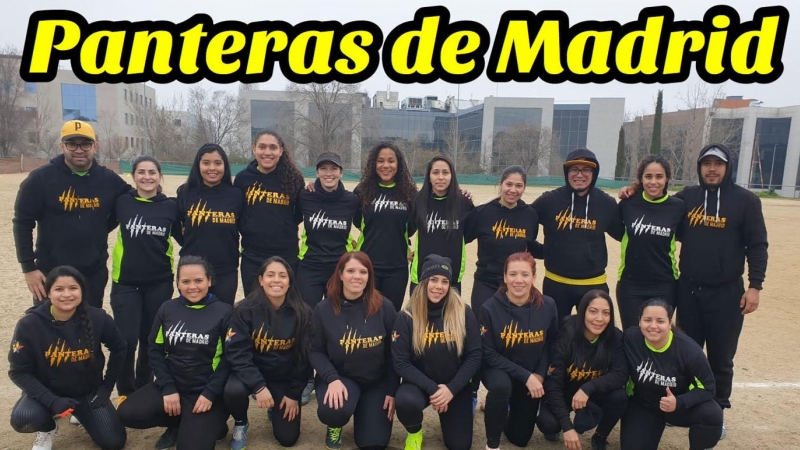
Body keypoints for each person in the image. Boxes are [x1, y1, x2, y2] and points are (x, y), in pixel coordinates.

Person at [620, 144, 769, 438]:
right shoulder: (686, 198)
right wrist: (632, 190)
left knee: (721, 357)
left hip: (727, 293)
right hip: (687, 290)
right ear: (700, 167)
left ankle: (716, 414)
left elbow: (757, 245)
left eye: (718, 164)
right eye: (707, 164)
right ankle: (682, 407)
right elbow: (656, 205)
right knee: (683, 354)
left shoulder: (746, 201)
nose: (712, 169)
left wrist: (755, 286)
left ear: (728, 168)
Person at [117, 256, 232, 450]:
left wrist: (210, 393)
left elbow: (229, 359)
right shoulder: (167, 309)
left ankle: (214, 425)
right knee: (128, 412)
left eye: (198, 280)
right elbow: (155, 350)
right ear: (177, 283)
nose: (192, 287)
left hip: (204, 392)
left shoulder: (224, 312)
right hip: (173, 386)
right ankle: (177, 422)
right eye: (185, 281)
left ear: (209, 281)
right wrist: (168, 387)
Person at [13, 120, 130, 308]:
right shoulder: (39, 179)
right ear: (62, 146)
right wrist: (28, 268)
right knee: (49, 330)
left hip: (93, 272)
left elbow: (130, 203)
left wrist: (99, 226)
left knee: (88, 329)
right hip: (50, 272)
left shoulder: (109, 180)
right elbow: (22, 223)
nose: (79, 150)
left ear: (95, 146)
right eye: (71, 144)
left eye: (85, 144)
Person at [9, 266, 127, 450]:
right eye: (59, 289)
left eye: (73, 288)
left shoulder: (98, 318)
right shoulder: (29, 324)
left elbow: (120, 348)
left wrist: (106, 387)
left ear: (82, 291)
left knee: (113, 442)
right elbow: (18, 372)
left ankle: (80, 414)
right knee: (24, 418)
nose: (66, 294)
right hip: (46, 393)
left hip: (87, 392)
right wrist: (52, 401)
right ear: (48, 292)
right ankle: (48, 427)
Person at [110, 155, 183, 403]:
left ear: (160, 176)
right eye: (141, 172)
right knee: (126, 339)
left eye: (152, 172)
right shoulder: (122, 202)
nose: (147, 177)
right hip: (126, 283)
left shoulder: (170, 207)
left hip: (159, 282)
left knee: (150, 339)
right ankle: (125, 391)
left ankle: (143, 385)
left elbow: (186, 239)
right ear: (133, 176)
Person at [310, 251, 398, 450]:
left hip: (376, 383)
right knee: (334, 410)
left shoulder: (385, 307)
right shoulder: (323, 309)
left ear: (369, 276)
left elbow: (395, 353)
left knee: (374, 443)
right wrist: (332, 378)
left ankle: (365, 410)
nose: (357, 276)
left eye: (363, 271)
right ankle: (336, 424)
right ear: (340, 274)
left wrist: (391, 390)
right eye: (350, 271)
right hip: (341, 379)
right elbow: (315, 351)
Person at [392, 254, 481, 450]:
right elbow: (401, 363)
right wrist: (434, 389)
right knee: (405, 401)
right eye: (433, 280)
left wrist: (450, 389)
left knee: (459, 445)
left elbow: (474, 355)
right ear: (423, 281)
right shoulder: (407, 316)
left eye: (444, 281)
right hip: (420, 386)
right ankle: (415, 432)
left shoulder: (463, 312)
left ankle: (452, 417)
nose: (438, 286)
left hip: (454, 387)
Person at [224, 256, 313, 449]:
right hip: (251, 376)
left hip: (283, 378)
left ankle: (276, 407)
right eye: (270, 275)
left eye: (282, 276)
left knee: (288, 439)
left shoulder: (302, 312)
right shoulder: (244, 310)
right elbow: (237, 353)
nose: (276, 280)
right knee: (233, 390)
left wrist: (293, 393)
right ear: (261, 280)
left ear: (289, 282)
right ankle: (241, 422)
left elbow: (304, 358)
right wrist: (258, 387)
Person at [530, 148, 623, 321]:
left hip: (593, 285)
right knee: (555, 336)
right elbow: (523, 221)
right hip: (555, 283)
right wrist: (544, 251)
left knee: (592, 337)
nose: (579, 175)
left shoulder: (606, 203)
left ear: (594, 173)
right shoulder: (549, 200)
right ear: (567, 172)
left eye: (586, 169)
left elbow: (624, 234)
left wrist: (633, 195)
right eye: (574, 169)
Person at [480, 252, 559, 450]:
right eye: (513, 274)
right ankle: (492, 444)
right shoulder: (489, 308)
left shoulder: (548, 305)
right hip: (499, 370)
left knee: (520, 439)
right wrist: (526, 376)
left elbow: (551, 343)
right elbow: (488, 353)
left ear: (534, 277)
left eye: (525, 274)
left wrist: (540, 374)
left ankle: (497, 408)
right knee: (500, 387)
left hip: (532, 374)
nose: (518, 280)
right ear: (505, 277)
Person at [620, 298, 722, 450]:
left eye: (660, 321)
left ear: (669, 323)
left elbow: (708, 388)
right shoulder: (630, 338)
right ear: (639, 322)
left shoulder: (689, 351)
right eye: (647, 320)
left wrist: (679, 402)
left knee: (712, 413)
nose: (653, 326)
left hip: (676, 407)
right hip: (643, 406)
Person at [538, 290, 628, 450]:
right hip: (565, 391)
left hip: (592, 394)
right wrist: (567, 427)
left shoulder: (615, 337)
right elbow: (553, 384)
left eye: (606, 313)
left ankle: (600, 436)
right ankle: (559, 422)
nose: (599, 319)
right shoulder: (566, 332)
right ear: (582, 312)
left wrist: (588, 388)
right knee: (549, 425)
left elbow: (620, 374)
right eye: (593, 311)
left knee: (619, 397)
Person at [616, 155, 684, 329]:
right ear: (641, 179)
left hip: (665, 285)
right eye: (648, 176)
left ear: (667, 178)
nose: (653, 182)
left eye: (659, 177)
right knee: (632, 336)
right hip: (630, 285)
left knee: (657, 335)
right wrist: (628, 190)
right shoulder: (628, 204)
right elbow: (617, 232)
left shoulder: (678, 207)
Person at [234, 130, 306, 294]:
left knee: (285, 307)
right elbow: (238, 212)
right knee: (253, 307)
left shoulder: (294, 179)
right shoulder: (243, 179)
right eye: (262, 147)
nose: (267, 152)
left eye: (273, 147)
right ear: (254, 149)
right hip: (253, 256)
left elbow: (299, 214)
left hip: (286, 255)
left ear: (281, 150)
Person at [176, 144, 244, 305]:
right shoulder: (185, 192)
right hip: (192, 270)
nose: (212, 168)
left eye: (218, 163)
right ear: (198, 165)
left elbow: (243, 226)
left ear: (225, 166)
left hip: (225, 271)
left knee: (222, 318)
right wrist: (188, 244)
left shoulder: (236, 195)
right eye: (206, 163)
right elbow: (175, 226)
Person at [353, 142, 418, 310]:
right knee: (365, 315)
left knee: (391, 315)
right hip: (366, 265)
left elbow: (412, 226)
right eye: (380, 161)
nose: (386, 165)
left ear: (399, 164)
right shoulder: (362, 191)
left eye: (391, 161)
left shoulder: (410, 193)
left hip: (397, 268)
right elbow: (355, 221)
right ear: (373, 164)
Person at [296, 152, 360, 308]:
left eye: (334, 168)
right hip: (310, 266)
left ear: (341, 172)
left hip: (338, 267)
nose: (328, 173)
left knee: (337, 315)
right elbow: (290, 221)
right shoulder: (305, 196)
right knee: (308, 315)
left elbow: (363, 224)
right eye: (323, 168)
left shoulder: (351, 200)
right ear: (317, 172)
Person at [409, 156, 474, 294]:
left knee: (449, 316)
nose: (440, 177)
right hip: (422, 274)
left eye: (445, 172)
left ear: (452, 176)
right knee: (418, 315)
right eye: (435, 172)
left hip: (452, 275)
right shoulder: (417, 201)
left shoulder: (463, 203)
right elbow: (405, 230)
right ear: (429, 176)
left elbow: (469, 234)